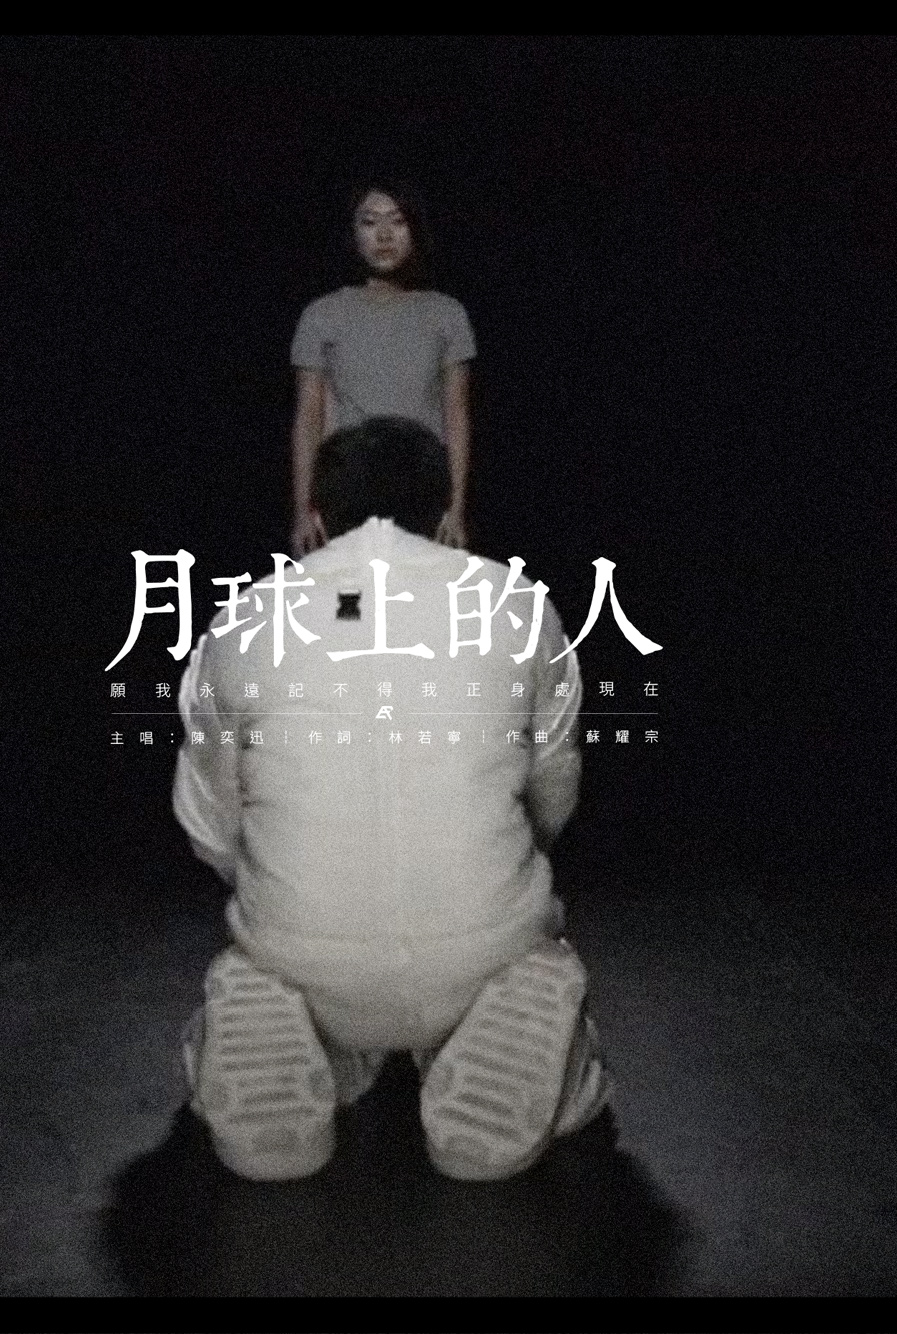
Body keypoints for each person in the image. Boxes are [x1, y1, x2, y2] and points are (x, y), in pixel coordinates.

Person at [174, 416, 610, 1182]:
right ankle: (511, 1038)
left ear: (316, 517)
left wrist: (270, 881)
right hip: (484, 946)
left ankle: (313, 1029)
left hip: (298, 949)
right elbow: (554, 788)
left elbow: (208, 818)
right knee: (520, 960)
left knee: (286, 957)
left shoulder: (243, 617)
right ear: (444, 516)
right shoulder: (516, 604)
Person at [289, 183, 475, 558]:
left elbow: (456, 415)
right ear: (353, 233)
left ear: (414, 230)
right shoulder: (322, 314)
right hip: (347, 483)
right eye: (370, 222)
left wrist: (456, 509)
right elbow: (309, 418)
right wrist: (303, 511)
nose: (385, 235)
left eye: (397, 221)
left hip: (420, 483)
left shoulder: (446, 313)